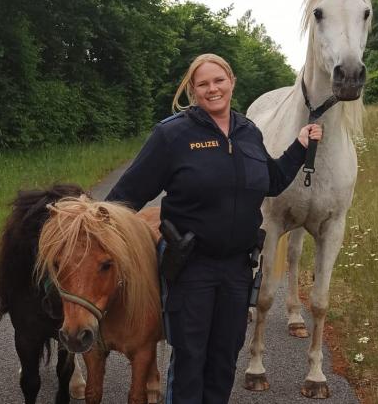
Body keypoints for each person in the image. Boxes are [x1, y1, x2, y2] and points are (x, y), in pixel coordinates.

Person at [105, 53, 322, 403]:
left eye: (219, 80)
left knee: (224, 359)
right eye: (203, 83)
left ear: (232, 82)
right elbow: (123, 198)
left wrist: (299, 145)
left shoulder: (248, 131)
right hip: (191, 268)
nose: (213, 89)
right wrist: (93, 231)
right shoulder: (172, 135)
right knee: (191, 360)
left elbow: (273, 180)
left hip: (238, 268)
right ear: (193, 90)